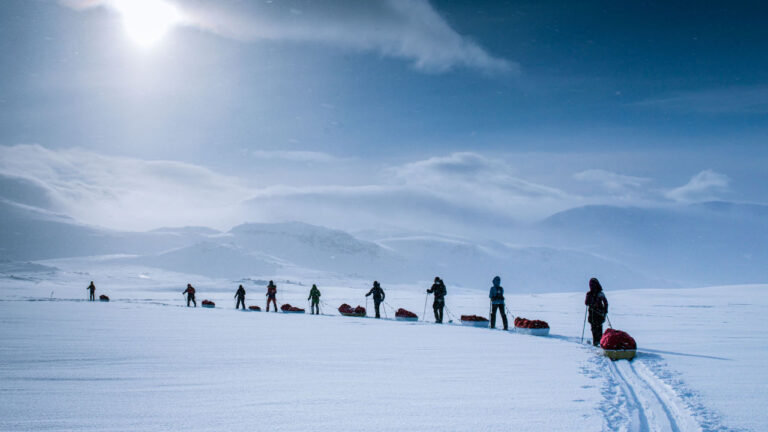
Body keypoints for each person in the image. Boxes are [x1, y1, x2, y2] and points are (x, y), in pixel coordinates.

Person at [585, 277, 609, 347]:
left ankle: (597, 343)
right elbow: (605, 303)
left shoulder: (595, 294)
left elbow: (586, 303)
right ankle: (598, 343)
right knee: (597, 329)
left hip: (596, 315)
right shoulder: (599, 293)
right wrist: (605, 311)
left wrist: (605, 311)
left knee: (595, 329)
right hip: (597, 315)